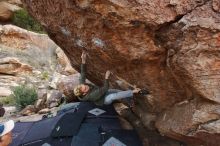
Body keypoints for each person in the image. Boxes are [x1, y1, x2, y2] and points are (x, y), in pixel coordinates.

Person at [73, 51, 145, 106]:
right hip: (103, 100)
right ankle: (134, 92)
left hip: (102, 92)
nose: (86, 86)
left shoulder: (81, 86)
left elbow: (83, 73)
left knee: (117, 91)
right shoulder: (90, 96)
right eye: (85, 88)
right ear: (84, 93)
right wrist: (106, 77)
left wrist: (83, 60)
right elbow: (105, 88)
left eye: (84, 85)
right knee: (112, 96)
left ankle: (130, 102)